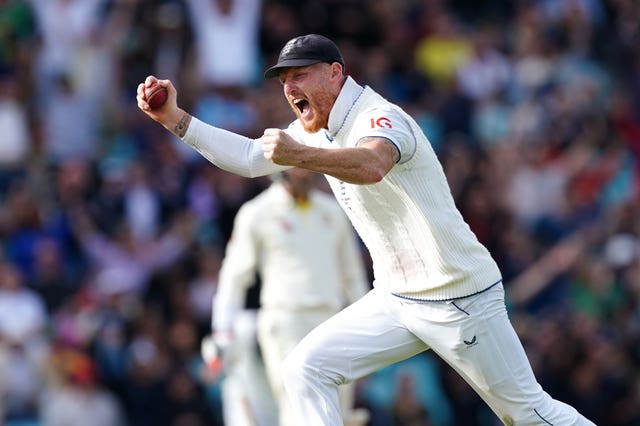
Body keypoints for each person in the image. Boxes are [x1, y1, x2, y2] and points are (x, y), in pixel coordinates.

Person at [137, 34, 597, 425]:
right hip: (397, 300)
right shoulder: (317, 128)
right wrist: (176, 120)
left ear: (336, 73)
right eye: (283, 80)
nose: (289, 87)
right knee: (305, 368)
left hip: (459, 299)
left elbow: (373, 164)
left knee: (530, 415)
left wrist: (299, 155)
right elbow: (248, 157)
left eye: (300, 75)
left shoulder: (380, 116)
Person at [202, 168, 370, 426]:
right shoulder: (257, 212)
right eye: (297, 170)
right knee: (298, 409)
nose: (305, 177)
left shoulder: (332, 211)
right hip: (285, 320)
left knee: (339, 409)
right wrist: (222, 329)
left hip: (332, 319)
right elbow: (234, 275)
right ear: (280, 171)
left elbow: (352, 276)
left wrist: (366, 324)